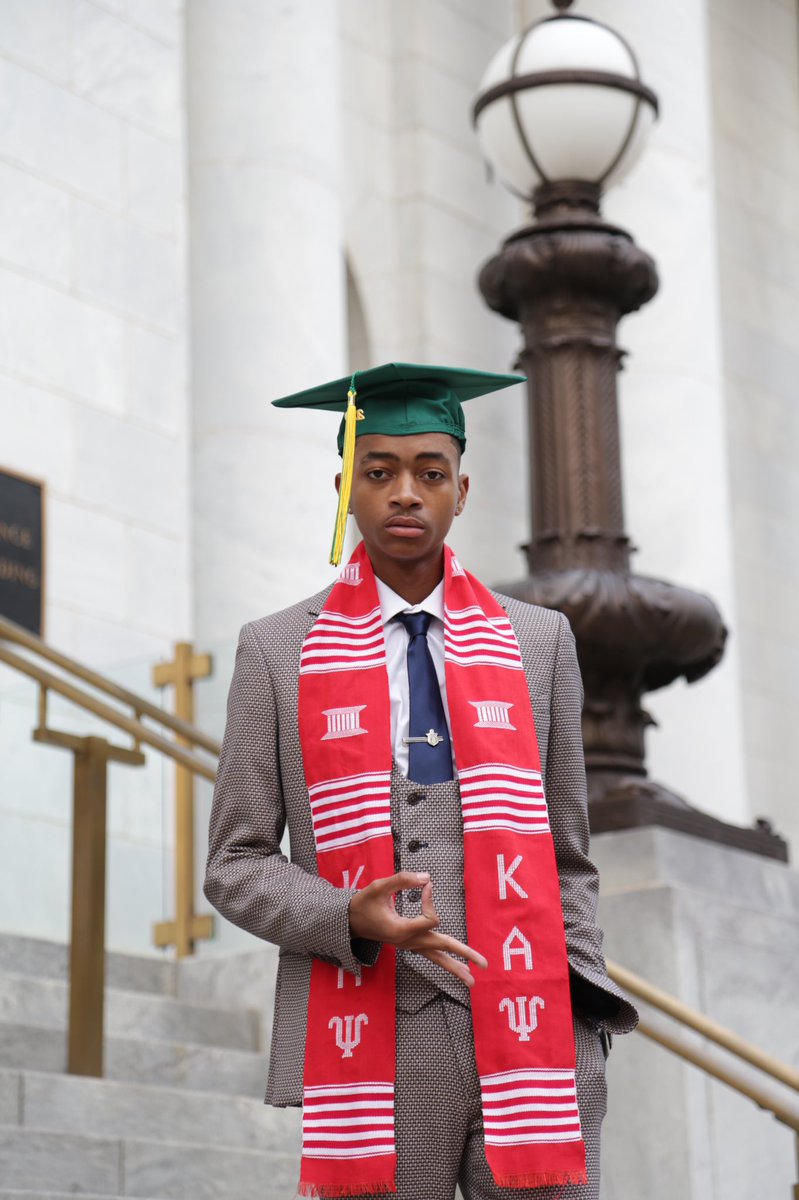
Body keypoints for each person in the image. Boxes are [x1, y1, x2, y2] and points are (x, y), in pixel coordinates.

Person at [204, 362, 637, 1200]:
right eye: (380, 472)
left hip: (534, 1027)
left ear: (460, 491)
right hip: (373, 1027)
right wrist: (343, 914)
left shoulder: (540, 642)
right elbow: (235, 861)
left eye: (429, 473)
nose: (406, 492)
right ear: (346, 489)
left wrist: (579, 1005)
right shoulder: (275, 651)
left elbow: (568, 855)